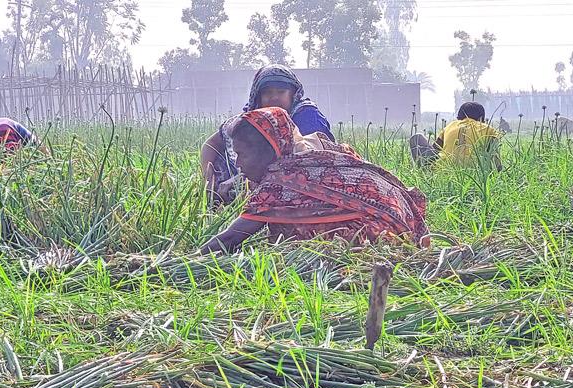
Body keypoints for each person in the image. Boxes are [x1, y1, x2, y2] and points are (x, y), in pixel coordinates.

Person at [200, 107, 430, 254]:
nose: (238, 164)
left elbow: (231, 238)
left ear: (268, 152)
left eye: (243, 154)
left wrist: (188, 259)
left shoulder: (279, 182)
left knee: (295, 250)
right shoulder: (311, 156)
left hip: (378, 238)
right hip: (404, 224)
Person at [200, 65, 335, 204]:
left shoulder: (307, 116)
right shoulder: (251, 119)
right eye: (268, 93)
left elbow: (309, 160)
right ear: (258, 96)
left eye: (281, 92)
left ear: (293, 94)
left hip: (298, 183)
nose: (274, 97)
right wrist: (208, 178)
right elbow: (212, 143)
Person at [409, 102, 501, 169]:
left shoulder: (450, 126)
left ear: (459, 117)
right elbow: (495, 158)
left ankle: (424, 172)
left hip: (441, 170)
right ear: (481, 118)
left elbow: (434, 151)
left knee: (416, 138)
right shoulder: (489, 129)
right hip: (475, 172)